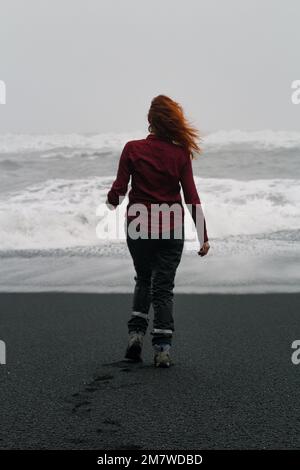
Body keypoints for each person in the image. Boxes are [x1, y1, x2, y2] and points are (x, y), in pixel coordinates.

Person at [106, 95, 210, 368]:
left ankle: (135, 337)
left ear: (150, 121)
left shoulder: (132, 148)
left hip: (138, 225)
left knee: (143, 279)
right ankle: (162, 349)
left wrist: (111, 200)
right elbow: (191, 198)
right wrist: (204, 235)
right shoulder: (180, 154)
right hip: (171, 227)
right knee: (163, 289)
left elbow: (118, 189)